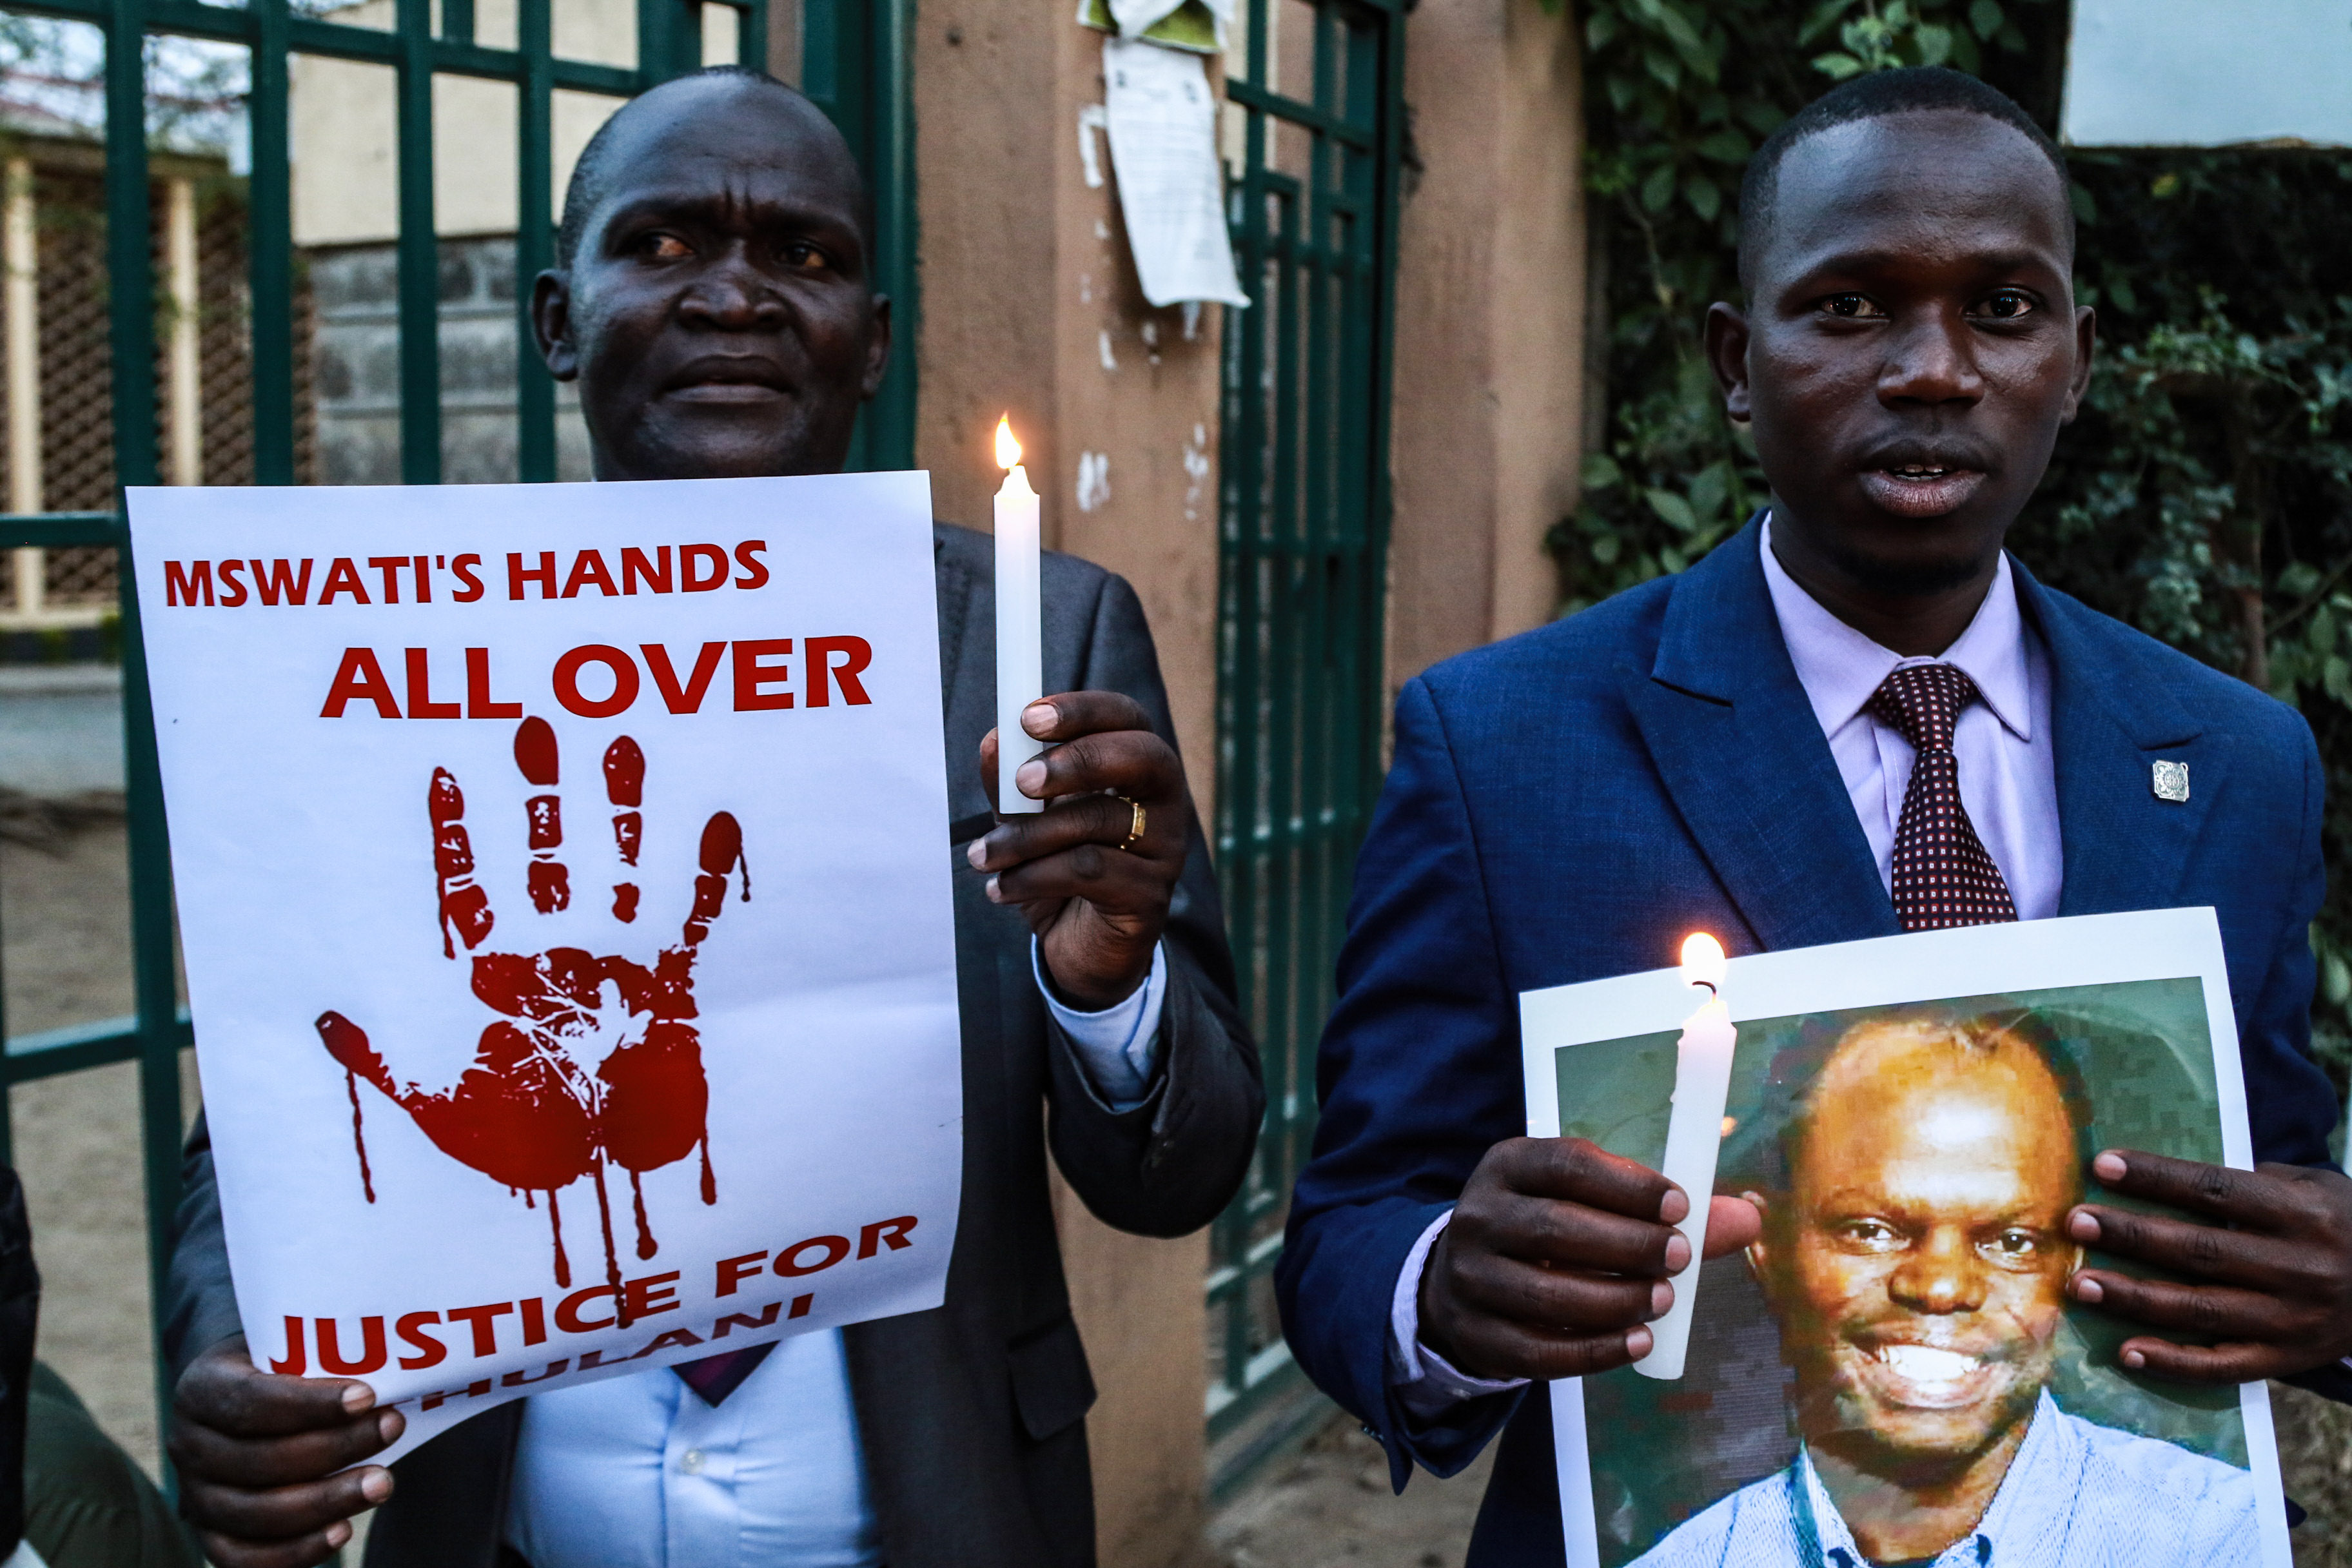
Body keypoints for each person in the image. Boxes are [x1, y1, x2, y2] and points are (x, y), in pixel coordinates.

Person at [159, 66, 1263, 1568]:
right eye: (667, 244)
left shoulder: (1039, 649)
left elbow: (1178, 1175)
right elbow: (273, 1131)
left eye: (802, 256)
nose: (735, 297)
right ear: (557, 318)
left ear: (872, 342)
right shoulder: (390, 658)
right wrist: (237, 1359)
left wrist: (1108, 983)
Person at [1277, 66, 2352, 1566]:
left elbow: (2260, 1191)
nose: (1933, 367)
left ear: (2078, 358)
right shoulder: (1505, 745)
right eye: (1849, 307)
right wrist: (1445, 1288)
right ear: (1736, 356)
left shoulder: (2236, 760)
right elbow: (1349, 1227)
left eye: (2003, 307)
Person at [1635, 1010, 2253, 1568]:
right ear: (1768, 1250)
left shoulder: (2224, 1541)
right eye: (1872, 1231)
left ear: (2071, 1266)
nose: (1940, 1286)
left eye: (2012, 1241)